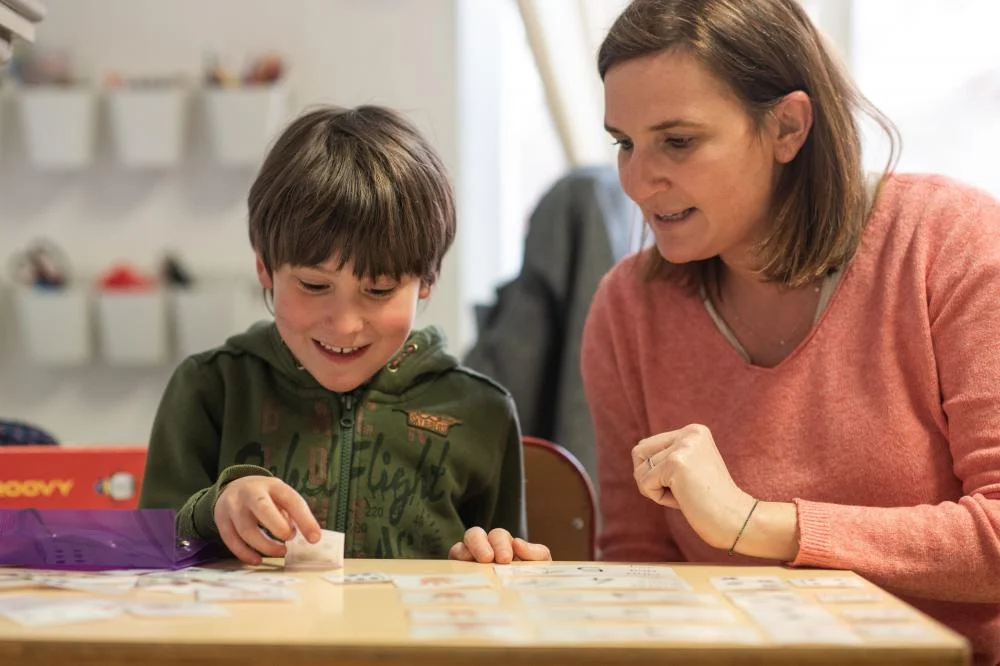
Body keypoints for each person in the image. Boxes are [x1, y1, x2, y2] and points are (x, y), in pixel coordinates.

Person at [576, 0, 1000, 662]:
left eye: (678, 141)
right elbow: (639, 567)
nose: (637, 180)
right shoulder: (627, 309)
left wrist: (754, 522)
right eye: (624, 143)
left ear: (788, 127)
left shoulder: (950, 245)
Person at [139, 105, 548, 565]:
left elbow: (503, 581)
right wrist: (214, 508)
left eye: (379, 290)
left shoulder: (480, 413)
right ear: (265, 269)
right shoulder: (211, 388)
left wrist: (488, 561)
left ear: (427, 281)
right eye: (315, 286)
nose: (345, 324)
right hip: (255, 637)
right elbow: (149, 557)